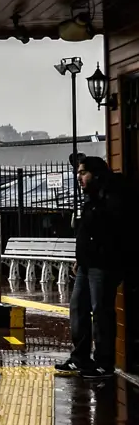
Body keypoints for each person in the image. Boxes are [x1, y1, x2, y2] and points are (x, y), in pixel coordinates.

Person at [55, 156, 127, 379]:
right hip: (87, 264)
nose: (79, 177)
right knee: (78, 308)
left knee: (101, 311)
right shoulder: (91, 198)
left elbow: (110, 233)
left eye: (83, 173)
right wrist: (80, 259)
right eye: (78, 173)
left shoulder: (111, 199)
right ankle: (80, 358)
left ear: (96, 174)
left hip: (103, 265)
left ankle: (104, 363)